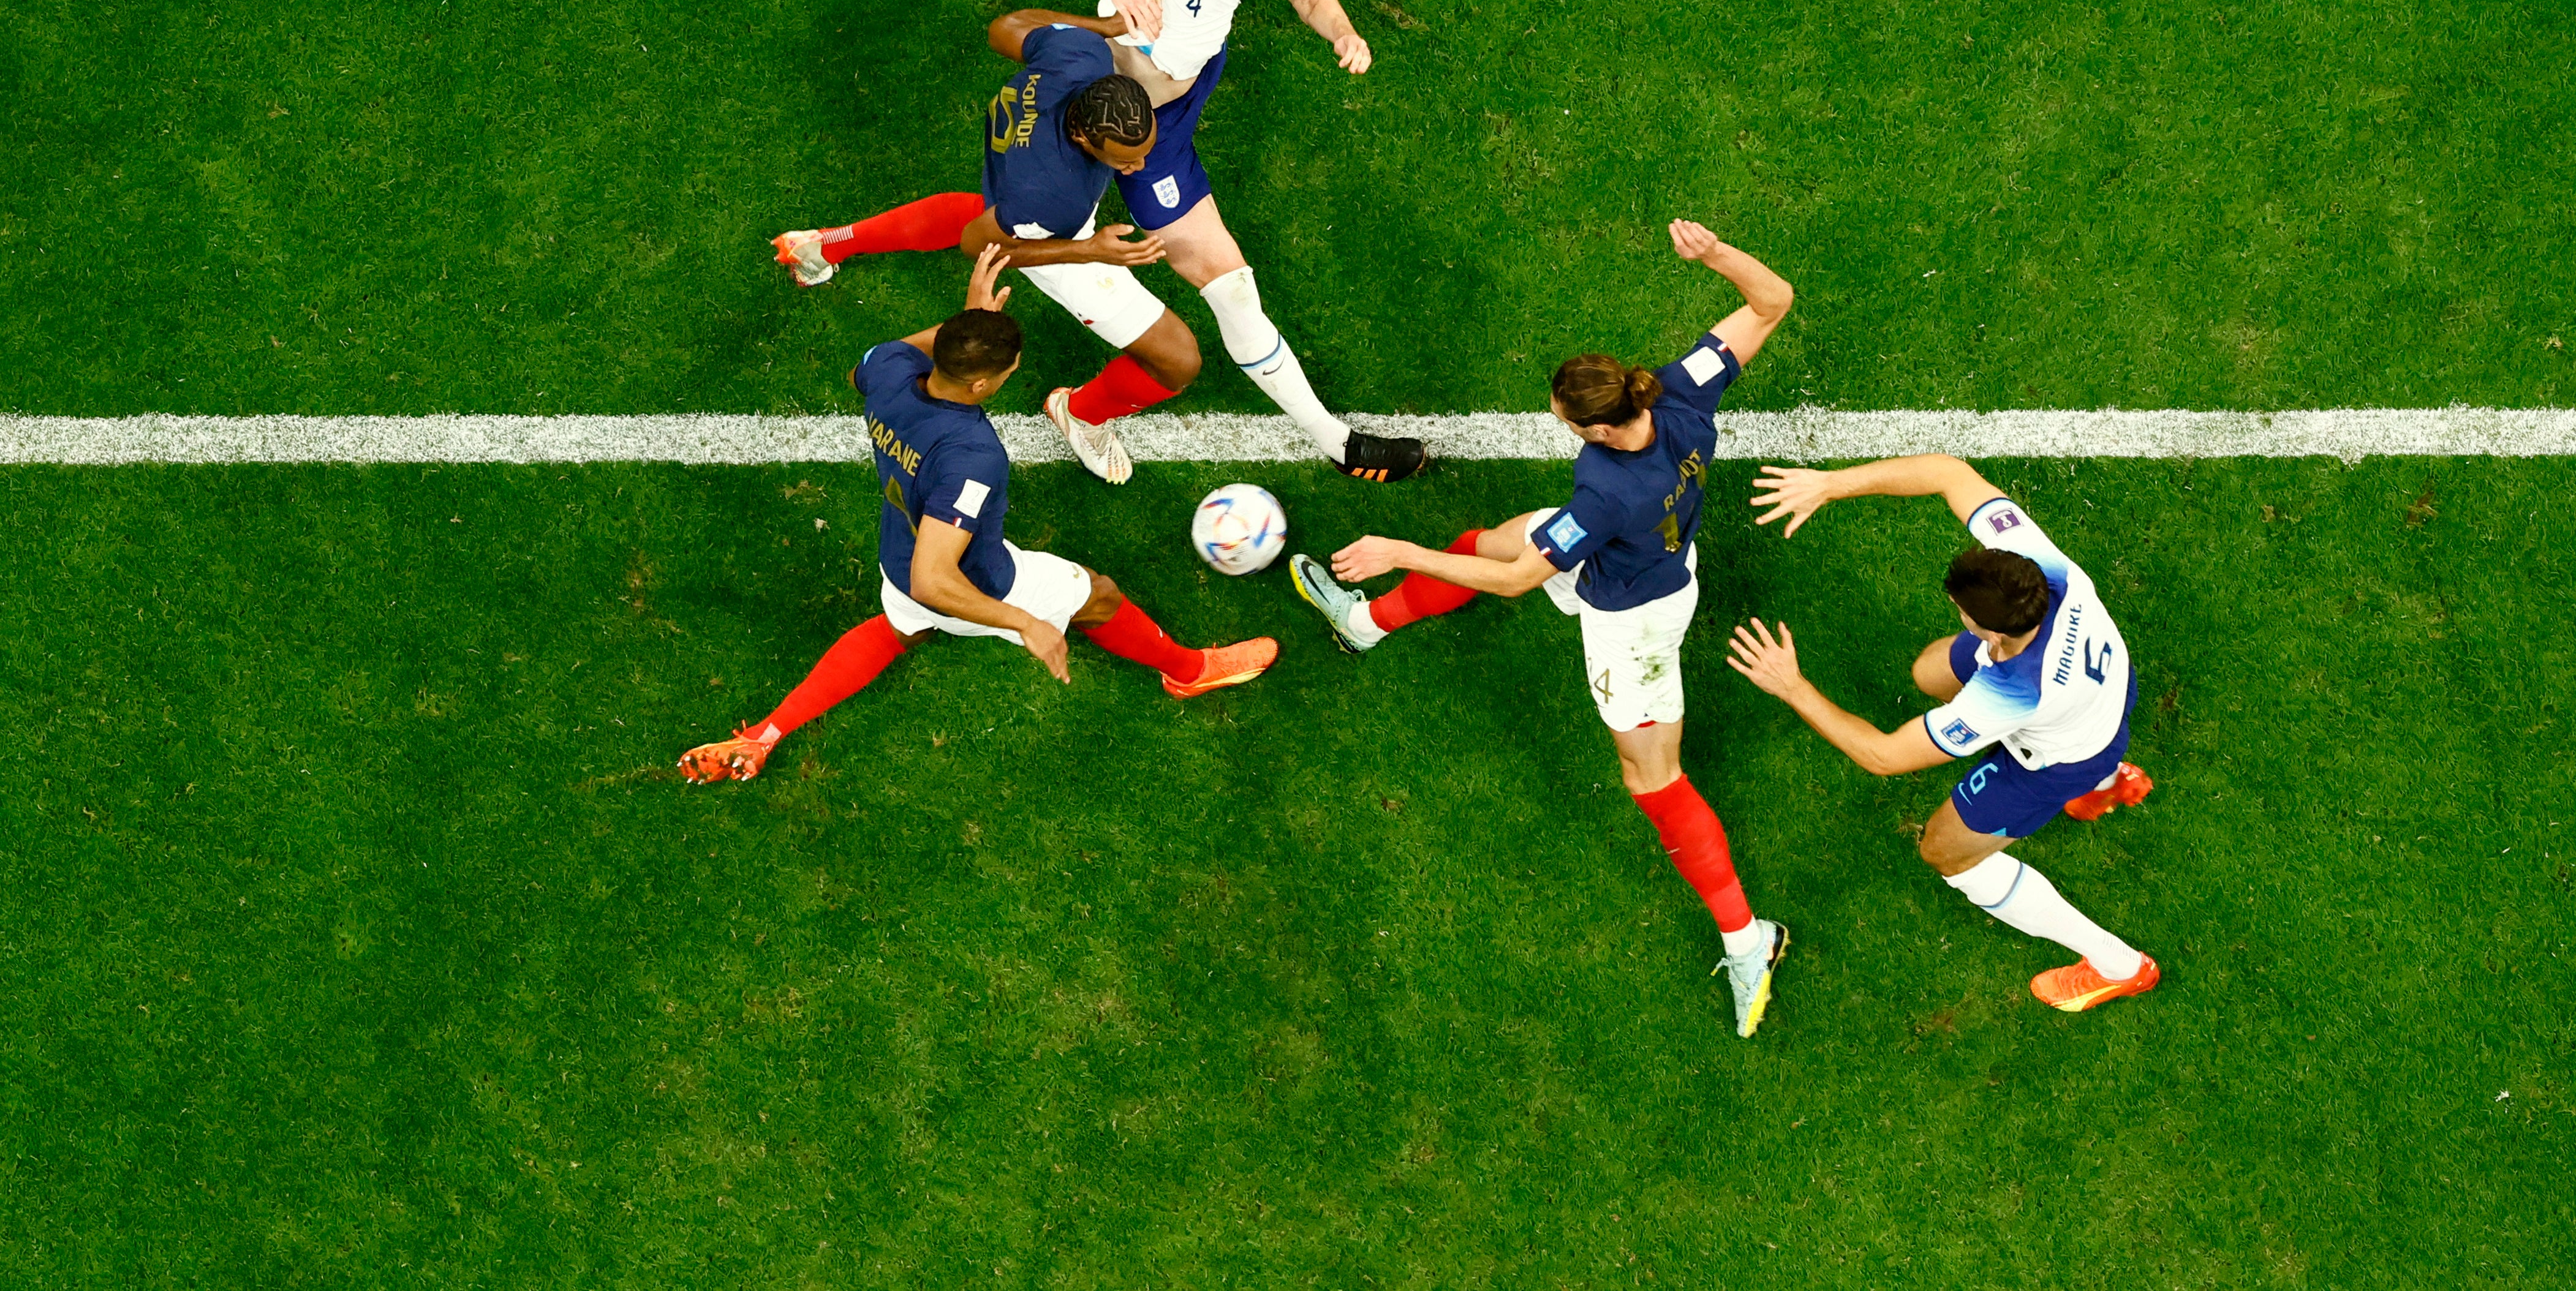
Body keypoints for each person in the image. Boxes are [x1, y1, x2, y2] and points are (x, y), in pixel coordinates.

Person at [1287, 220, 1797, 1037]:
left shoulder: (1599, 494)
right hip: (1642, 547)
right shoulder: (1681, 390)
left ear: (1595, 427)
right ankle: (1368, 623)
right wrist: (1718, 256)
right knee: (1485, 539)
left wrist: (1394, 546)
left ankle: (1749, 940)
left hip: (1632, 618)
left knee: (1652, 779)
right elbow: (1772, 301)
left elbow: (1520, 578)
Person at [779, 0, 1424, 484]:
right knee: (1162, 339)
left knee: (1232, 287)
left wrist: (1342, 31)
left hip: (1159, 117)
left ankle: (828, 245)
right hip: (1113, 116)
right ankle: (1083, 412)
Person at [676, 246, 1278, 785]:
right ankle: (1190, 670)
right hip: (975, 577)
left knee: (900, 626)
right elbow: (936, 579)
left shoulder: (889, 370)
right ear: (985, 382)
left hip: (897, 549)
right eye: (1008, 367)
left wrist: (969, 322)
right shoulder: (972, 457)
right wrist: (1025, 622)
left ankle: (766, 734)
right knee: (1098, 594)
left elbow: (863, 371)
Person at [1729, 454, 2159, 1013]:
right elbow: (1948, 473)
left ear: (1991, 627)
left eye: (1959, 609)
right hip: (2103, 689)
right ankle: (2104, 781)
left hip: (2058, 758)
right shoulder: (2039, 567)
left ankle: (2116, 965)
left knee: (1946, 852)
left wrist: (1792, 686)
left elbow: (1882, 755)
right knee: (1930, 671)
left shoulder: (2007, 694)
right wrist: (1829, 485)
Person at [768, 10, 1212, 481]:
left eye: (1143, 148)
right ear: (1083, 136)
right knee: (1178, 360)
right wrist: (1090, 250)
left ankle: (826, 245)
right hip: (1045, 213)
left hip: (1016, 163)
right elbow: (979, 246)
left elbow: (1005, 27)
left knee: (986, 208)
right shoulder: (1053, 201)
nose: (1139, 165)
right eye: (1124, 159)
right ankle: (1080, 414)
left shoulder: (1080, 54)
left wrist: (1097, 28)